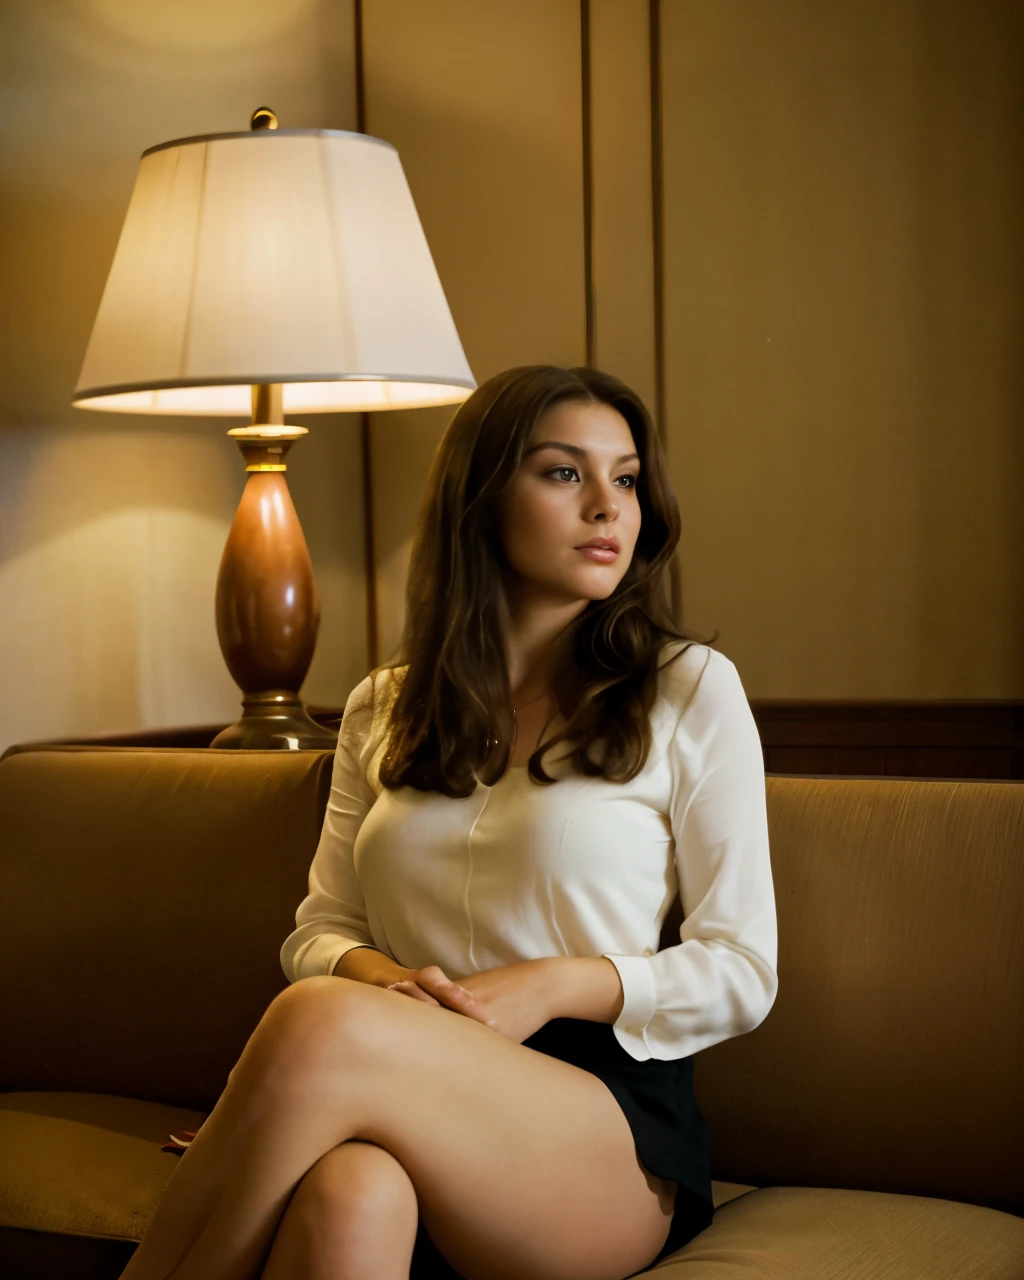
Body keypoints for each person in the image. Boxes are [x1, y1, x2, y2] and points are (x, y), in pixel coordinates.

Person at [119, 364, 778, 1280]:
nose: (606, 508)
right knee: (352, 1191)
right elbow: (322, 931)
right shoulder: (382, 705)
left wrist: (549, 986)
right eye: (563, 473)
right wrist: (385, 1000)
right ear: (481, 497)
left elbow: (743, 972)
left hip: (601, 1126)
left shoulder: (690, 689)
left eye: (624, 478)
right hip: (393, 1082)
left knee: (320, 1021)